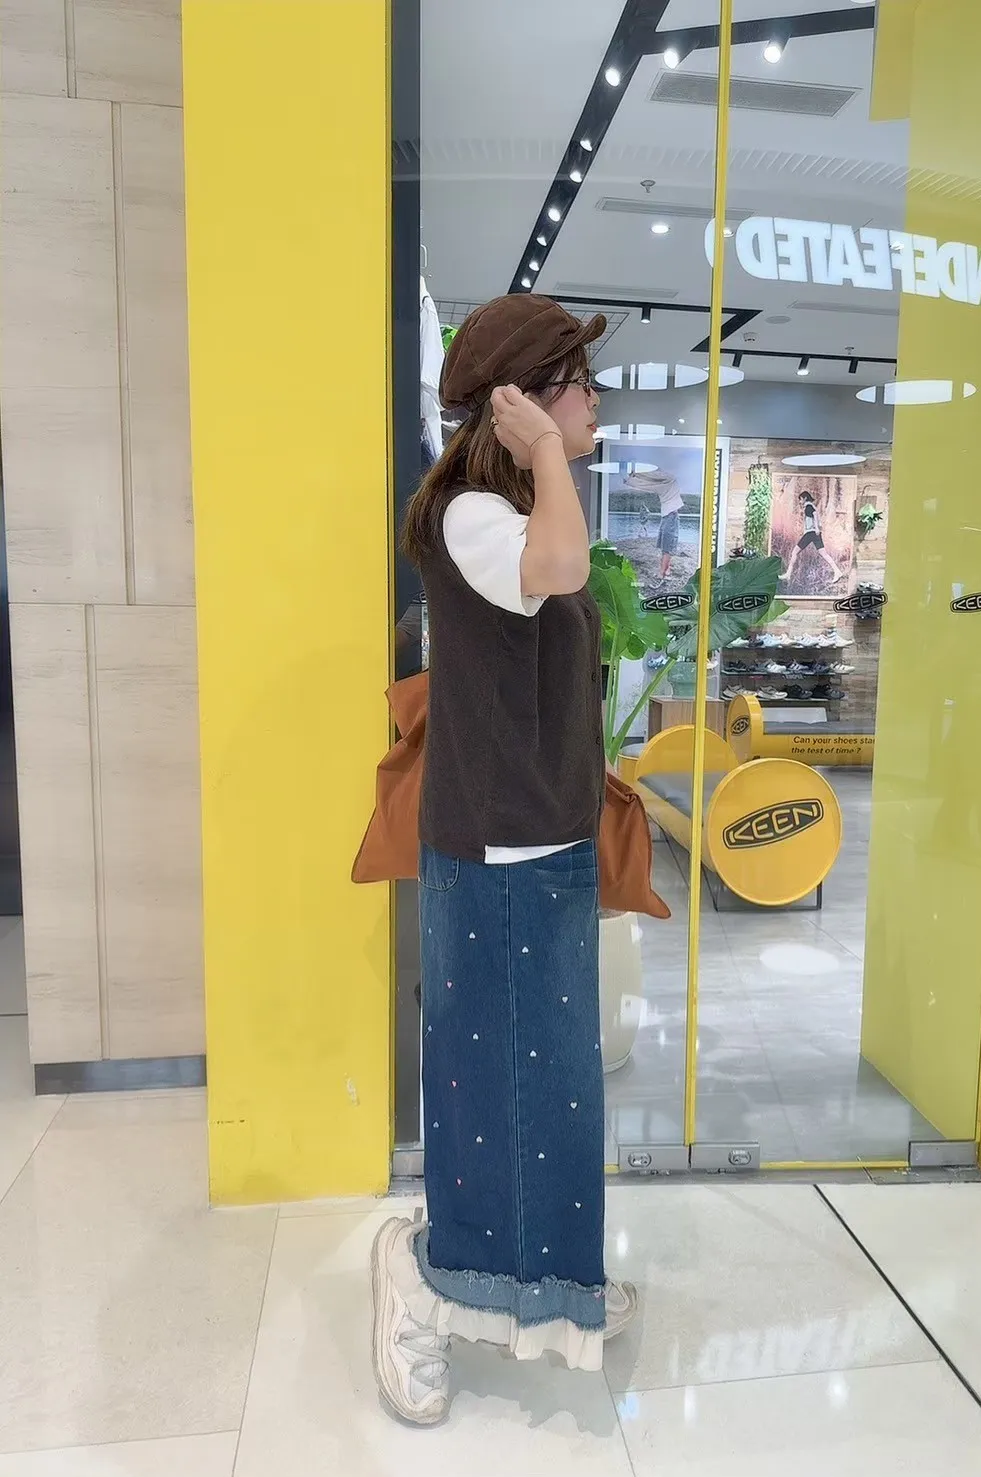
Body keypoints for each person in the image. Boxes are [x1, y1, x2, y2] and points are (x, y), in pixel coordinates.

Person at [369, 295, 638, 1427]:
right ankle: (420, 1284)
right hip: (491, 850)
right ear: (519, 398)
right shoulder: (470, 515)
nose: (596, 401)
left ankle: (555, 1291)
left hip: (545, 841)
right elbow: (561, 566)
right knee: (486, 1088)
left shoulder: (517, 508)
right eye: (579, 382)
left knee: (557, 1090)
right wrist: (542, 451)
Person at [781, 488, 847, 587]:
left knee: (795, 552)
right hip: (813, 533)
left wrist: (816, 528)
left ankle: (788, 574)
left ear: (804, 498)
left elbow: (814, 515)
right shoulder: (811, 506)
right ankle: (837, 571)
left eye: (801, 499)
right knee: (824, 553)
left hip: (811, 533)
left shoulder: (808, 506)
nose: (800, 501)